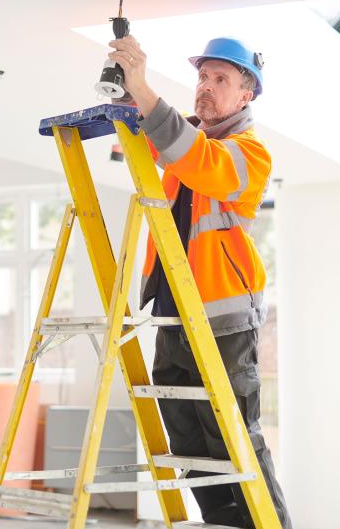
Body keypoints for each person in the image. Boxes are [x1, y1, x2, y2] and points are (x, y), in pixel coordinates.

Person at [106, 36, 292, 529]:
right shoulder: (185, 140)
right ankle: (223, 522)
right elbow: (146, 145)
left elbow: (199, 162)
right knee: (187, 438)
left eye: (220, 80)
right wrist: (126, 91)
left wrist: (145, 92)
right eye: (203, 78)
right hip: (172, 313)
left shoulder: (249, 154)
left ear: (246, 95)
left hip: (222, 319)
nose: (205, 89)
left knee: (232, 435)